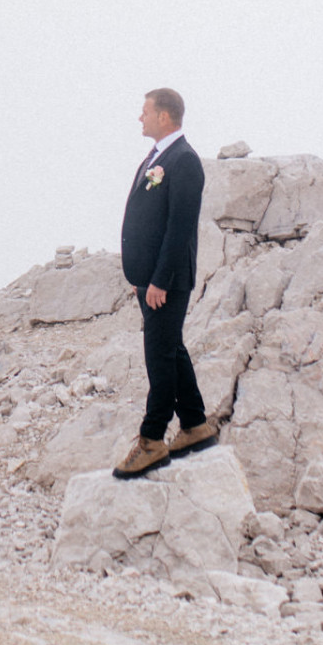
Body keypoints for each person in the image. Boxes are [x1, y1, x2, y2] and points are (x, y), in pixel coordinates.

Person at [112, 88, 219, 480]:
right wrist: (142, 278)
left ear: (164, 116)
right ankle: (195, 425)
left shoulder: (184, 161)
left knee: (158, 357)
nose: (139, 118)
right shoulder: (158, 156)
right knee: (170, 350)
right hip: (150, 280)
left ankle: (152, 439)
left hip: (167, 281)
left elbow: (180, 229)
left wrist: (159, 280)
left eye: (145, 112)